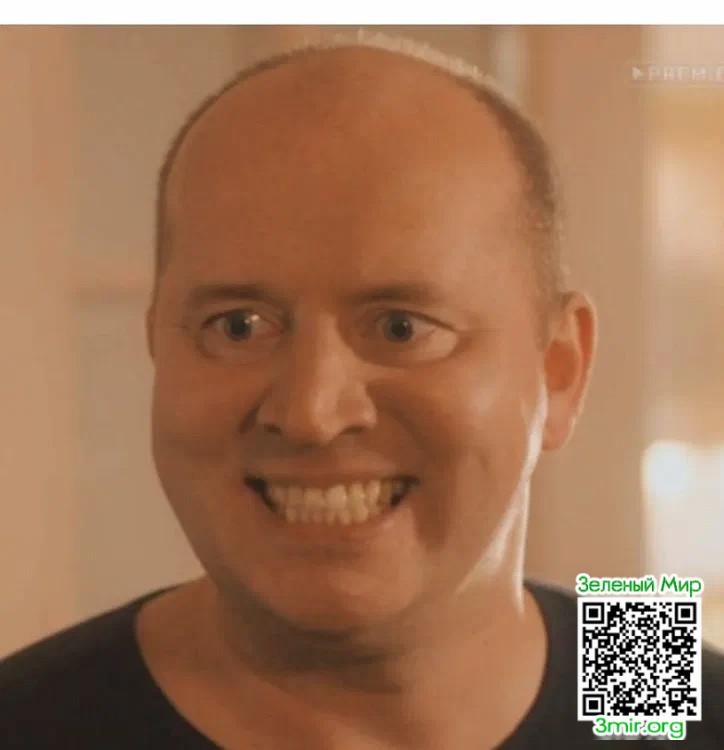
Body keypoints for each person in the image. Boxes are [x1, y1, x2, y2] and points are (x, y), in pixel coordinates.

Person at [1, 35, 722, 750]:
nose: (311, 412)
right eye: (239, 325)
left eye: (402, 328)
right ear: (158, 345)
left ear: (560, 370)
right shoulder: (34, 720)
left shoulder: (656, 681)